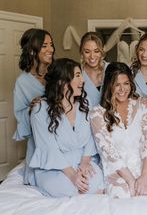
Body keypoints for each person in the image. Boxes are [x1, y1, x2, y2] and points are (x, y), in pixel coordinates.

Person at [29, 58, 104, 197]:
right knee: (68, 188)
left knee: (95, 180)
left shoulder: (85, 104)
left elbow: (91, 137)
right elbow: (48, 148)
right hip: (55, 168)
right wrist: (73, 176)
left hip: (81, 161)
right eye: (77, 75)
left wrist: (85, 162)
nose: (83, 80)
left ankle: (88, 190)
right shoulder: (40, 109)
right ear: (62, 81)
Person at [90, 62, 147, 198]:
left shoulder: (143, 105)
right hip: (118, 169)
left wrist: (145, 175)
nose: (122, 89)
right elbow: (109, 153)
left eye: (126, 83)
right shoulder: (97, 114)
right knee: (123, 194)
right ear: (109, 86)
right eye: (117, 85)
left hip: (144, 165)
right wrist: (131, 181)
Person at [13, 28, 55, 185]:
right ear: (32, 50)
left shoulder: (57, 73)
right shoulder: (22, 82)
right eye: (44, 45)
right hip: (38, 142)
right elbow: (20, 116)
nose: (50, 49)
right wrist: (31, 109)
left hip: (62, 136)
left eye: (51, 44)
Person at [79, 32, 109, 107]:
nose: (92, 56)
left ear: (102, 50)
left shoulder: (111, 69)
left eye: (96, 51)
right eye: (87, 52)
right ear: (82, 52)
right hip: (85, 118)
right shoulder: (77, 73)